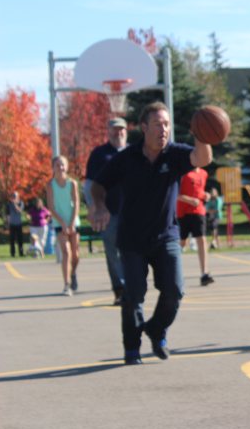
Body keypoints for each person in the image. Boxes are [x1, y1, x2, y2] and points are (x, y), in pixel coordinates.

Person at [90, 101, 214, 365]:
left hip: (166, 236)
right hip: (133, 239)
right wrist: (99, 206)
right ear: (144, 127)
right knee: (133, 295)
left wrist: (202, 135)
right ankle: (132, 348)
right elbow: (98, 185)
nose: (164, 129)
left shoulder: (175, 154)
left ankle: (157, 329)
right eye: (158, 124)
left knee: (175, 290)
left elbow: (203, 159)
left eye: (167, 124)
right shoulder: (126, 158)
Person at [84, 117, 128, 305]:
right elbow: (89, 184)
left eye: (121, 130)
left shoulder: (135, 152)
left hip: (133, 212)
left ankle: (132, 286)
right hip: (108, 212)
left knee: (132, 251)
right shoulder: (99, 154)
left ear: (126, 131)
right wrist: (93, 207)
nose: (118, 133)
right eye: (114, 130)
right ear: (108, 132)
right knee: (113, 253)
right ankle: (119, 289)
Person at [47, 156, 81, 296]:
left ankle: (72, 273)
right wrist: (62, 223)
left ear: (66, 167)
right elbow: (51, 206)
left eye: (62, 165)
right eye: (57, 165)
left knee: (75, 254)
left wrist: (72, 223)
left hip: (73, 221)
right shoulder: (50, 185)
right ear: (53, 168)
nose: (60, 167)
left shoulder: (72, 183)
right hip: (59, 222)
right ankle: (66, 284)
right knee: (66, 252)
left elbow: (77, 203)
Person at [177, 167, 214, 286]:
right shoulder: (182, 173)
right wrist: (189, 200)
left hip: (198, 211)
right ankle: (171, 272)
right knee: (181, 243)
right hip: (182, 212)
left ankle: (204, 273)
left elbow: (199, 191)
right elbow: (174, 193)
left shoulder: (203, 173)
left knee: (201, 239)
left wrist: (205, 195)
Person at [5, 191, 25, 257]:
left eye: (15, 197)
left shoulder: (21, 203)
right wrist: (7, 223)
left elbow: (19, 211)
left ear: (18, 197)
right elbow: (8, 215)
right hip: (12, 224)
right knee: (12, 240)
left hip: (19, 224)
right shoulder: (8, 204)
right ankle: (12, 253)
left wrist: (15, 204)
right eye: (13, 197)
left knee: (20, 240)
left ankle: (21, 253)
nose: (13, 198)